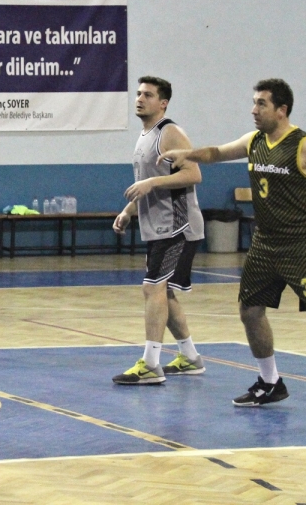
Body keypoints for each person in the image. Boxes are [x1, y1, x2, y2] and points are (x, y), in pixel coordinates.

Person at [159, 78, 306, 417]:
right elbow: (218, 153)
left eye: (261, 103)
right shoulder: (255, 141)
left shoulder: (305, 146)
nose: (254, 109)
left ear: (281, 110)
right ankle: (270, 382)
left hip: (302, 245)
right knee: (250, 312)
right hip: (264, 244)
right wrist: (188, 154)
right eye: (254, 102)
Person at [110, 76, 206, 385]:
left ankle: (151, 364)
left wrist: (152, 182)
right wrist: (128, 211)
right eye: (138, 93)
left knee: (152, 289)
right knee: (165, 293)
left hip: (178, 225)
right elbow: (145, 186)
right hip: (157, 226)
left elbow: (194, 174)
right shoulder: (144, 136)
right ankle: (190, 357)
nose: (140, 99)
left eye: (148, 95)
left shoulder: (170, 133)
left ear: (163, 103)